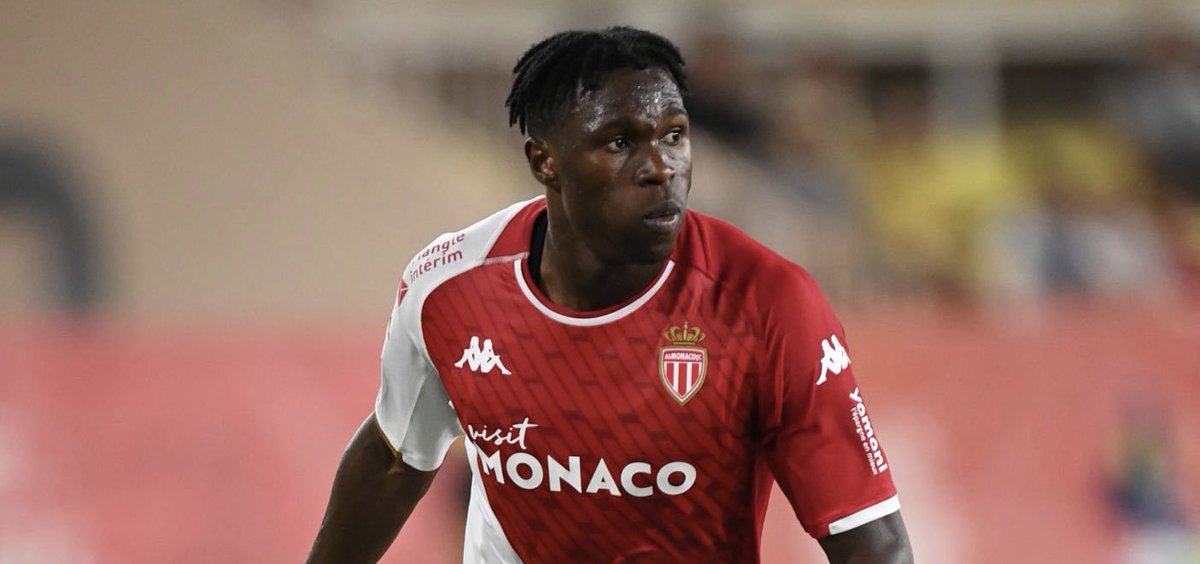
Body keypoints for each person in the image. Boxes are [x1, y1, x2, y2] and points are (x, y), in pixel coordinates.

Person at [307, 27, 911, 563]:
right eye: (619, 142)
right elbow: (393, 458)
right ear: (545, 161)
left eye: (673, 135)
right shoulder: (450, 287)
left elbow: (871, 542)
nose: (660, 167)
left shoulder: (767, 304)